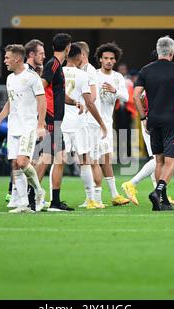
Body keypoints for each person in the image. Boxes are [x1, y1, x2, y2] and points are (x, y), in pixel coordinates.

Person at [133, 36, 174, 211]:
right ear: (172, 53)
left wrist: (143, 118)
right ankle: (158, 192)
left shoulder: (145, 70)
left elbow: (136, 96)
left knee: (159, 161)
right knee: (172, 161)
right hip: (172, 120)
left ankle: (163, 201)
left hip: (153, 120)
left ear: (158, 51)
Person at [0, 44, 47, 213]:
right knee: (15, 165)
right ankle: (23, 203)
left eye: (7, 57)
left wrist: (40, 125)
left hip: (28, 127)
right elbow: (11, 101)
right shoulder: (10, 79)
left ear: (17, 59)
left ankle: (39, 191)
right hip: (13, 128)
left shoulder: (31, 77)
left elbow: (42, 101)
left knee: (23, 162)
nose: (5, 60)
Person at [61, 43, 108, 209]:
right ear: (79, 56)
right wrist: (101, 123)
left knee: (55, 161)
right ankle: (92, 199)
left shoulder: (56, 73)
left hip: (61, 123)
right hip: (82, 122)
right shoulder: (82, 75)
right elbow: (91, 98)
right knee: (87, 160)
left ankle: (39, 198)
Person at [35, 33, 77, 211]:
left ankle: (55, 201)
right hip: (51, 120)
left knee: (59, 160)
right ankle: (32, 198)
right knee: (45, 159)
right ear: (67, 47)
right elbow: (40, 88)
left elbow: (57, 92)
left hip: (56, 121)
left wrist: (75, 102)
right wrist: (43, 119)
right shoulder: (52, 64)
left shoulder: (57, 65)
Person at [92, 42, 131, 206]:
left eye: (111, 58)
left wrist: (115, 90)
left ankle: (112, 195)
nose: (108, 61)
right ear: (100, 59)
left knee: (105, 159)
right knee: (93, 161)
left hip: (107, 124)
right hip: (91, 123)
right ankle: (95, 198)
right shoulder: (93, 75)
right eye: (105, 58)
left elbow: (126, 98)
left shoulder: (117, 77)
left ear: (115, 61)